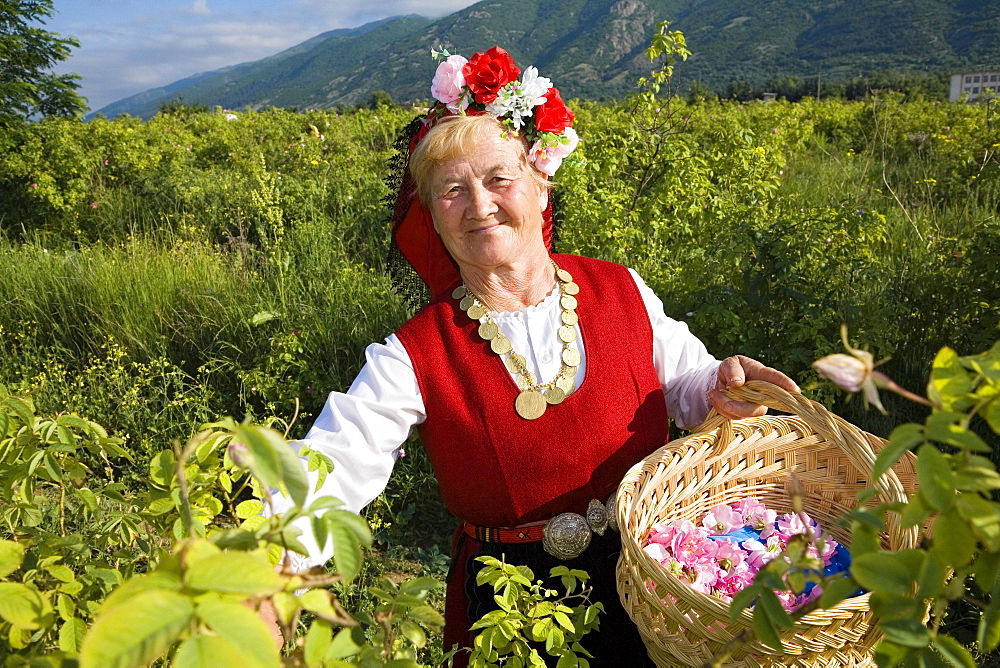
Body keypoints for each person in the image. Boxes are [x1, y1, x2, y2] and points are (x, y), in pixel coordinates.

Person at [270, 46, 799, 666]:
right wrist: (266, 555)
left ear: (541, 185)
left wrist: (720, 385)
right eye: (451, 191)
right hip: (510, 607)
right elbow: (340, 454)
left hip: (651, 581)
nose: (480, 204)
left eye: (499, 178)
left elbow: (684, 379)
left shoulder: (620, 289)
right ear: (432, 221)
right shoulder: (413, 353)